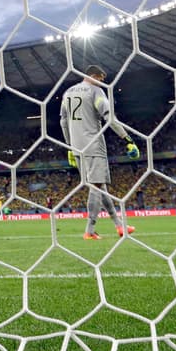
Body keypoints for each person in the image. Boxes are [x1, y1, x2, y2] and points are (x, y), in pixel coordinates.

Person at [59, 65, 140, 240]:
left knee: (99, 187)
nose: (102, 82)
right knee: (96, 186)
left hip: (77, 147)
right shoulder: (95, 91)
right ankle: (89, 231)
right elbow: (109, 117)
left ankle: (119, 225)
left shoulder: (68, 92)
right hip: (93, 145)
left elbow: (63, 122)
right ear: (94, 76)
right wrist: (127, 139)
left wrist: (69, 146)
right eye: (101, 78)